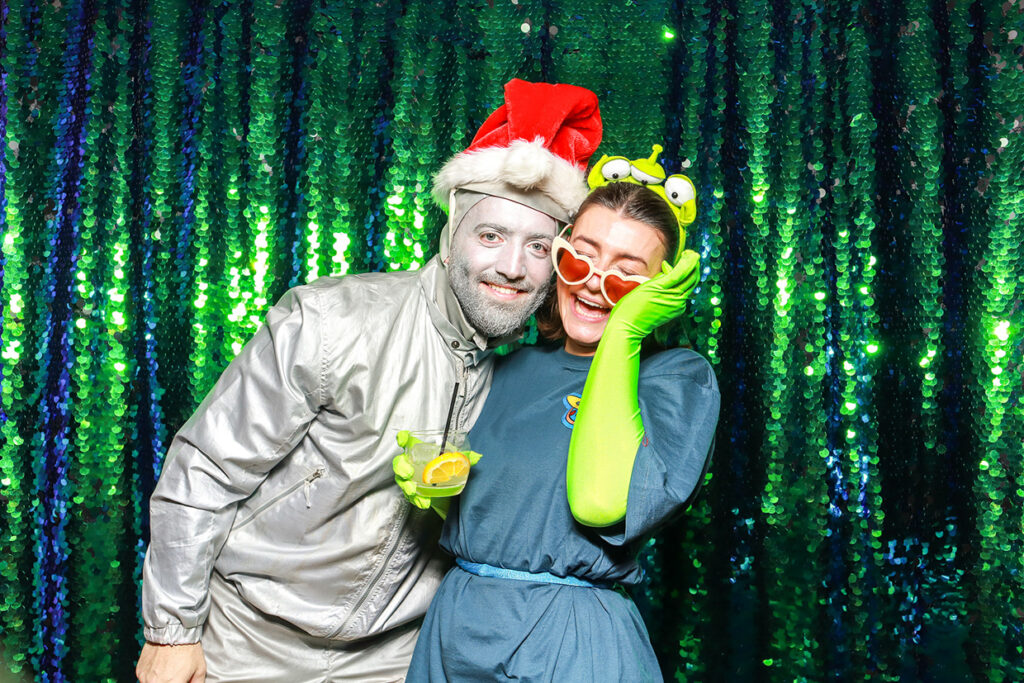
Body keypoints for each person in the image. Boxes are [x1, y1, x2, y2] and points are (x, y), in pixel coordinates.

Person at [135, 79, 602, 683]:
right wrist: (172, 631)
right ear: (450, 235)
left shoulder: (530, 376)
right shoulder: (331, 321)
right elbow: (205, 472)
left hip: (396, 657)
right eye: (491, 236)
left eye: (538, 247)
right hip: (247, 636)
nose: (512, 267)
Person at [397, 152, 721, 682]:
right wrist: (435, 493)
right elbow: (512, 511)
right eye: (580, 259)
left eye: (626, 277)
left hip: (570, 641)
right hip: (456, 625)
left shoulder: (677, 379)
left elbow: (598, 504)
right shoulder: (503, 363)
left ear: (662, 292)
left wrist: (626, 332)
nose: (595, 284)